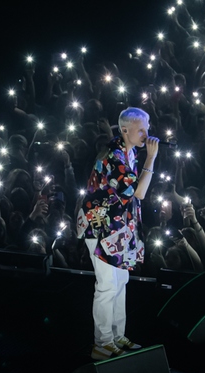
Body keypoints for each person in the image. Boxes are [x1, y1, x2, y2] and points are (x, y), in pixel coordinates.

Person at [77, 108, 159, 360]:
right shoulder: (114, 156)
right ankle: (101, 343)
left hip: (118, 228)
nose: (146, 134)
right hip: (100, 226)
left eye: (147, 128)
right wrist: (151, 159)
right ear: (125, 130)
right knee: (107, 285)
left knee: (121, 281)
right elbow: (139, 192)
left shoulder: (129, 151)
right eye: (141, 129)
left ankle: (116, 336)